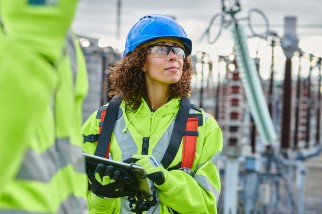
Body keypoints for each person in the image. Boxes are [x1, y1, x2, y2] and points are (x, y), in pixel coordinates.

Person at [82, 14, 223, 213]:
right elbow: (75, 204)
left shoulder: (203, 126)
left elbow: (207, 207)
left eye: (178, 50)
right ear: (139, 61)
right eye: (162, 49)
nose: (173, 56)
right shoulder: (100, 122)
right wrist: (101, 194)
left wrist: (166, 180)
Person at [0, 0, 89, 213]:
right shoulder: (38, 29)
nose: (173, 57)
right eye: (161, 48)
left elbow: (67, 162)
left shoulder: (61, 35)